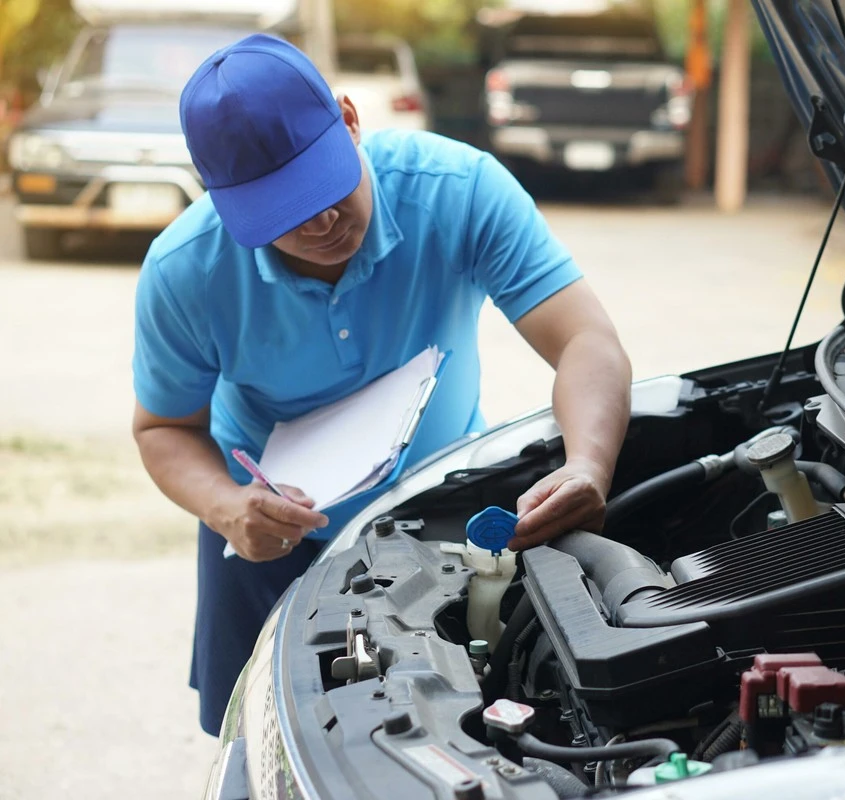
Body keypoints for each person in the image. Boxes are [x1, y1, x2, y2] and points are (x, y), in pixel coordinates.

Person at [130, 34, 631, 736]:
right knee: (259, 743)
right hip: (268, 537)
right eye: (281, 213)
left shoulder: (458, 190)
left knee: (469, 731)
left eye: (323, 187)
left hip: (439, 513)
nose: (319, 223)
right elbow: (162, 428)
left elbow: (585, 340)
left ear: (349, 119)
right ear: (222, 199)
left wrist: (587, 464)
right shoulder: (185, 270)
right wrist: (226, 506)